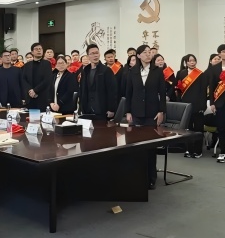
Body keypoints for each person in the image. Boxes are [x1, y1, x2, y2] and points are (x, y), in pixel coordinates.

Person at [125, 44, 167, 189]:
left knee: (150, 146)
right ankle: (138, 175)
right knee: (136, 146)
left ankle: (151, 177)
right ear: (138, 55)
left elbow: (162, 93)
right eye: (145, 52)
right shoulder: (132, 71)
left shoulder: (157, 71)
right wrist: (128, 111)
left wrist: (161, 111)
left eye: (150, 52)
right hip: (136, 113)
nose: (148, 54)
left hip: (152, 113)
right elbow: (128, 93)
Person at [175, 54, 207, 158]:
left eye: (194, 60)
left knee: (198, 129)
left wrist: (202, 106)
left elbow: (203, 91)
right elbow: (178, 90)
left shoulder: (200, 74)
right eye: (190, 61)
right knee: (187, 129)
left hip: (198, 105)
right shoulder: (181, 73)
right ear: (186, 62)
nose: (192, 62)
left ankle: (198, 151)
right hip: (185, 105)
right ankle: (188, 149)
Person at [79, 43, 117, 120]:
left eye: (96, 53)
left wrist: (111, 109)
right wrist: (81, 107)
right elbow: (82, 90)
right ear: (88, 56)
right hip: (87, 109)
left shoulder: (106, 70)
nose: (95, 55)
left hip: (102, 109)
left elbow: (112, 90)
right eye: (92, 53)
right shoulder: (85, 71)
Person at [21, 42, 53, 110]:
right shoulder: (27, 65)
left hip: (42, 95)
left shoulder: (47, 64)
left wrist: (35, 90)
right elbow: (24, 79)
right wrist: (30, 91)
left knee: (42, 115)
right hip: (30, 96)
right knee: (31, 115)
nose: (39, 50)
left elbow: (47, 79)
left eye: (40, 49)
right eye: (36, 49)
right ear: (32, 52)